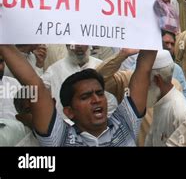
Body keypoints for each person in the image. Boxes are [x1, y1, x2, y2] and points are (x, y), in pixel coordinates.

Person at [0, 44, 157, 146]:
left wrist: (154, 19)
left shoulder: (125, 125)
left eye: (100, 93)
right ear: (68, 111)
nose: (96, 100)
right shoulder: (60, 139)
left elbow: (144, 69)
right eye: (85, 97)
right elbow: (34, 84)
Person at [145, 50, 186, 146]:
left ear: (157, 79)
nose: (145, 84)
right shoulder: (160, 101)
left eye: (146, 79)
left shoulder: (179, 112)